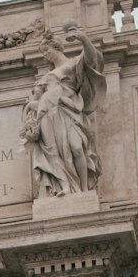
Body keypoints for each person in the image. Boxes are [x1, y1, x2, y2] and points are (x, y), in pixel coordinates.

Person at [21, 22, 106, 197]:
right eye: (43, 52)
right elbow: (37, 101)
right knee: (53, 152)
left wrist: (82, 38)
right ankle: (65, 186)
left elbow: (92, 59)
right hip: (47, 115)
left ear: (56, 47)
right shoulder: (45, 78)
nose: (45, 55)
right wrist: (30, 109)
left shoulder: (73, 64)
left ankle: (83, 190)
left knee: (76, 147)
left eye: (47, 50)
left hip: (68, 111)